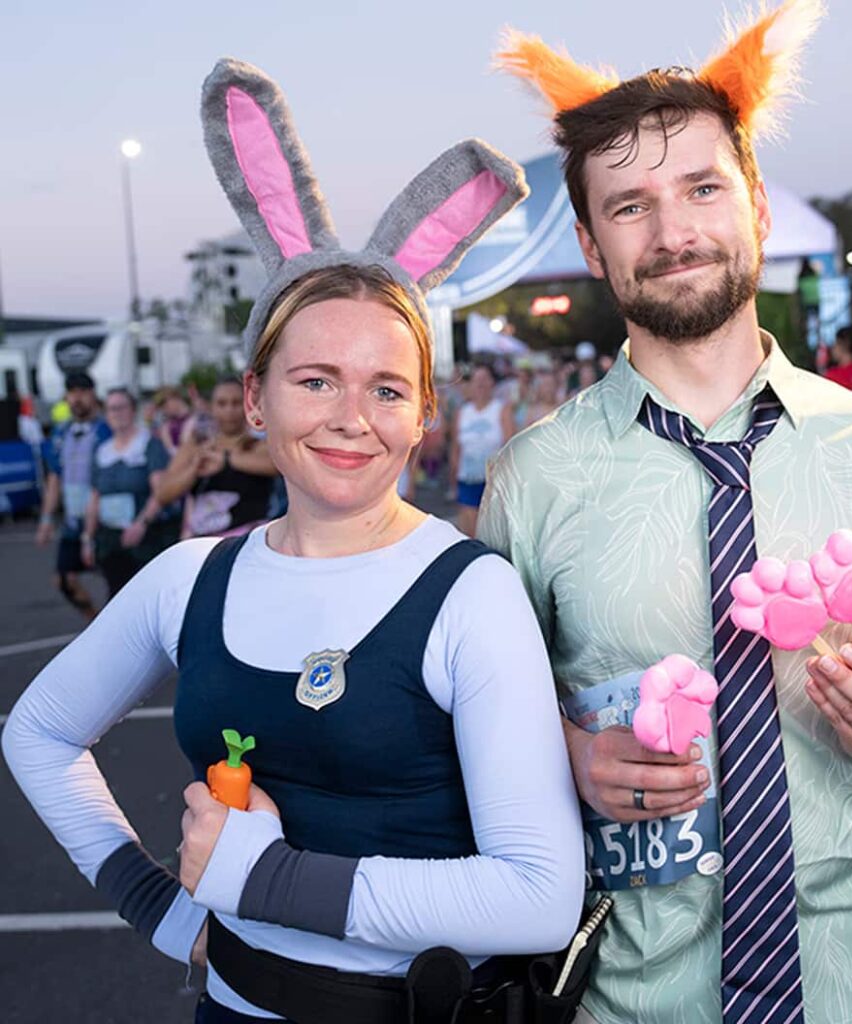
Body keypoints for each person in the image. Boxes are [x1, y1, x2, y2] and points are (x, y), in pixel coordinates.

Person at [3, 58, 585, 1024]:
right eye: (315, 381)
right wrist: (158, 909)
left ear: (422, 414)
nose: (351, 417)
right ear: (255, 398)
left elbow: (539, 896)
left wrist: (269, 879)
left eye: (387, 389)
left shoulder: (470, 592)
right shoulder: (190, 578)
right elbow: (38, 732)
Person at [488, 8, 852, 1024]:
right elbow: (481, 717)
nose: (673, 233)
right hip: (632, 996)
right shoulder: (534, 478)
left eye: (702, 188)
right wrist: (568, 754)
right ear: (589, 243)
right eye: (630, 206)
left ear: (757, 207)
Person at [81, 387, 177, 599]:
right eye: (111, 409)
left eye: (121, 407)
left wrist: (141, 523)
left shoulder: (149, 444)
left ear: (133, 410)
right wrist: (87, 537)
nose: (116, 413)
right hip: (110, 539)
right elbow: (95, 496)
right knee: (115, 596)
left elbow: (160, 491)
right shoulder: (102, 451)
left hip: (144, 538)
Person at [153, 377, 278, 538]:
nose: (229, 410)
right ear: (211, 407)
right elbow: (162, 494)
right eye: (222, 404)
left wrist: (226, 460)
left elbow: (275, 466)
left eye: (236, 403)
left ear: (247, 406)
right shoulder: (196, 446)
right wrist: (193, 469)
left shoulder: (259, 445)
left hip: (249, 540)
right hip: (204, 543)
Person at [35, 372, 111, 620]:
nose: (77, 398)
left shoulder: (106, 430)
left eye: (82, 392)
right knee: (64, 580)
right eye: (72, 392)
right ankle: (96, 623)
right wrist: (46, 519)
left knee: (114, 579)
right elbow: (54, 477)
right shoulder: (60, 433)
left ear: (93, 394)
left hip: (102, 519)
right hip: (73, 520)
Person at [449, 363, 504, 537]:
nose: (480, 384)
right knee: (469, 533)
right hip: (468, 478)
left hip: (493, 481)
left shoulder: (501, 409)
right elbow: (455, 448)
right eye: (476, 379)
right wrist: (453, 481)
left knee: (493, 533)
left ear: (492, 383)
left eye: (485, 379)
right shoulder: (462, 412)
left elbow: (510, 446)